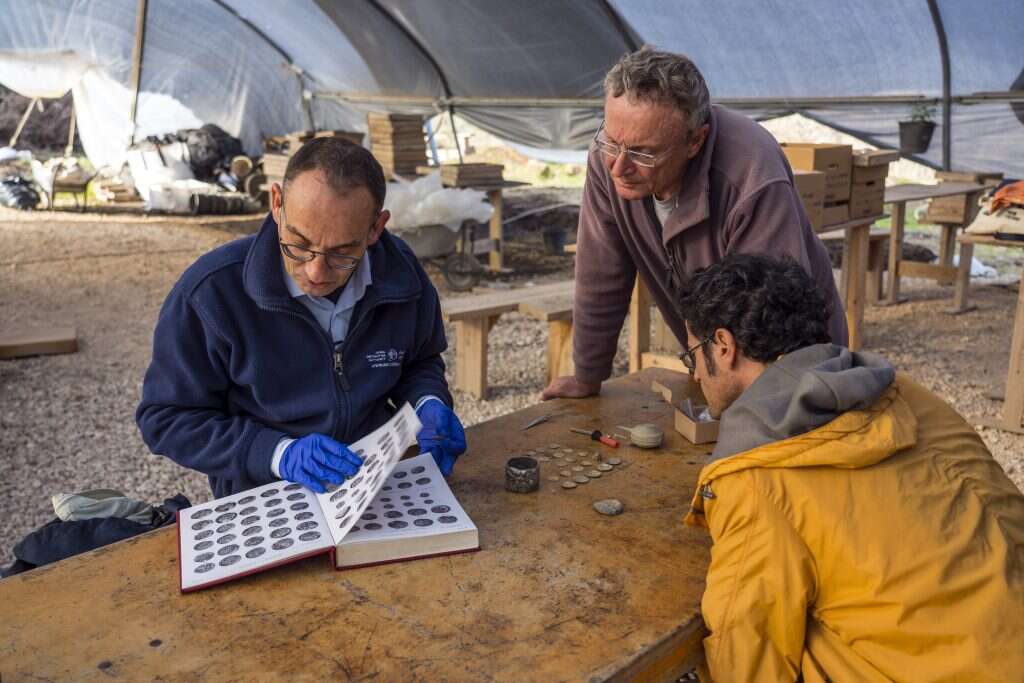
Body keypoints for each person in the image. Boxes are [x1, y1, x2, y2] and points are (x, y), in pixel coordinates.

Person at [677, 254, 1024, 681]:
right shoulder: (902, 392)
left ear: (724, 346)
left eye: (693, 354)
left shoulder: (755, 481)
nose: (694, 374)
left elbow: (747, 663)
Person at [137, 138, 466, 497]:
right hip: (263, 490)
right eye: (298, 244)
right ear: (276, 204)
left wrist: (428, 402)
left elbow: (418, 361)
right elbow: (167, 418)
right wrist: (277, 453)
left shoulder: (400, 274)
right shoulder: (211, 293)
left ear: (376, 228)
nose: (316, 270)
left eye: (342, 253)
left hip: (374, 482)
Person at [543, 46, 846, 401]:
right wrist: (587, 375)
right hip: (717, 359)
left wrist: (752, 412)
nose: (618, 167)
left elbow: (772, 321)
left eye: (643, 152)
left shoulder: (752, 173)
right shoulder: (608, 160)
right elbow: (601, 270)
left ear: (695, 141)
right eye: (611, 141)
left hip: (793, 367)